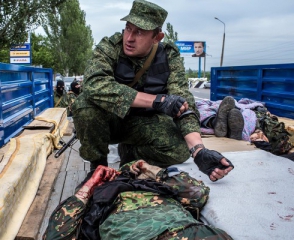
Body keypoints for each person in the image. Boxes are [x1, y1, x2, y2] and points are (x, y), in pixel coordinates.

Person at [72, 0, 234, 182]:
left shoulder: (168, 55)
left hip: (143, 124)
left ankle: (131, 154)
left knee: (180, 149)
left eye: (139, 32)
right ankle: (98, 169)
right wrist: (157, 101)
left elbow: (183, 100)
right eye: (128, 28)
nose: (129, 38)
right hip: (110, 123)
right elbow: (95, 84)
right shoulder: (111, 47)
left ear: (157, 37)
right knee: (85, 105)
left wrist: (198, 150)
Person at [43, 161, 233, 240]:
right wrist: (88, 189)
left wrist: (150, 169)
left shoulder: (161, 188)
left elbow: (197, 192)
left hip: (198, 234)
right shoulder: (96, 203)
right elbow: (55, 236)